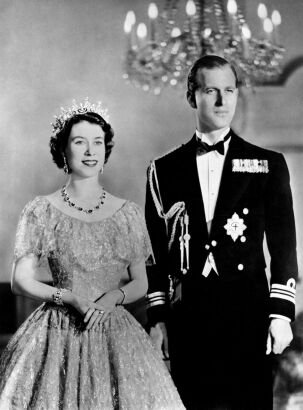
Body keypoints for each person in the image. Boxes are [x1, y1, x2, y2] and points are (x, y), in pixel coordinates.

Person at [0, 98, 185, 409]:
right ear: (63, 150)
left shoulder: (128, 214)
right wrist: (69, 297)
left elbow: (140, 282)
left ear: (105, 151)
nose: (90, 151)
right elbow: (20, 281)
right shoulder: (41, 210)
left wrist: (114, 297)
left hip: (114, 329)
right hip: (57, 329)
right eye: (80, 142)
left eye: (97, 142)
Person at [145, 55, 298, 410]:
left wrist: (280, 314)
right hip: (190, 318)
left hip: (249, 313)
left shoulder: (267, 164)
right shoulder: (163, 171)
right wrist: (159, 317)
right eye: (211, 90)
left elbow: (284, 244)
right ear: (191, 96)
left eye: (229, 90)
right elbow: (154, 251)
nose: (221, 101)